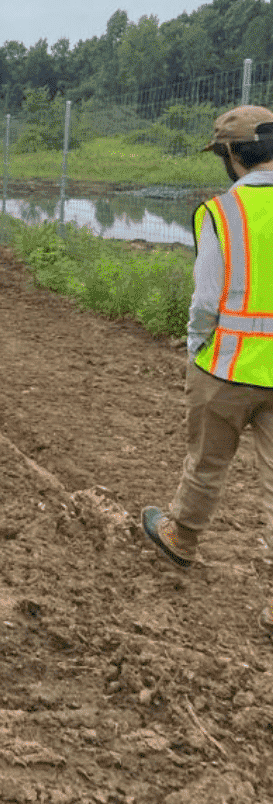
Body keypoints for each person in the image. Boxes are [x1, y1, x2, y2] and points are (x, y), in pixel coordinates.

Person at [142, 104, 273, 636]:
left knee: (207, 462)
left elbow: (205, 301)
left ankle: (182, 538)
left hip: (226, 367)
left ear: (235, 155)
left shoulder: (221, 213)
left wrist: (197, 350)